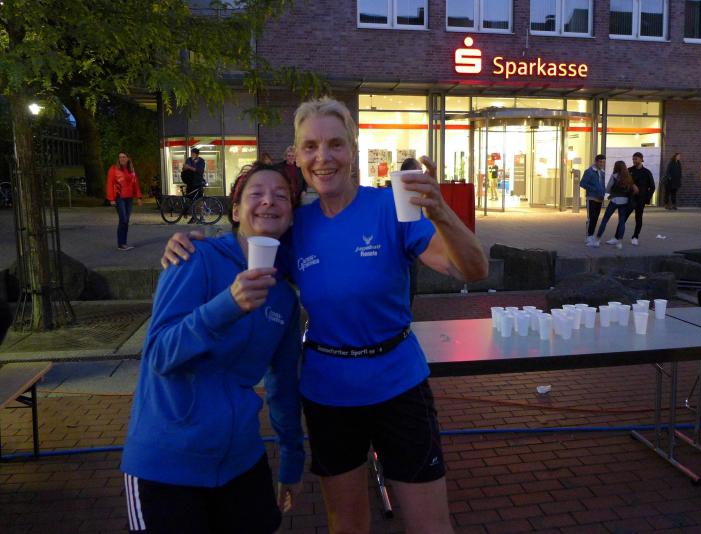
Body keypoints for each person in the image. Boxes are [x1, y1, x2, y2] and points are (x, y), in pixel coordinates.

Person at [162, 97, 489, 534]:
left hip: (399, 384)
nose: (323, 157)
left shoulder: (391, 207)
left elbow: (472, 269)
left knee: (429, 525)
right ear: (297, 157)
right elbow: (243, 247)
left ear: (353, 150)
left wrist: (442, 212)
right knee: (348, 524)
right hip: (329, 393)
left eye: (335, 144)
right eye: (310, 147)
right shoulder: (296, 225)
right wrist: (191, 242)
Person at [121, 162, 304, 534]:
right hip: (168, 463)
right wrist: (227, 305)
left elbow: (283, 386)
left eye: (281, 196)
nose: (268, 201)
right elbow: (159, 355)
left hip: (241, 461)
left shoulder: (284, 298)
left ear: (290, 217)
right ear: (235, 211)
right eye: (256, 193)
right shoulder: (193, 256)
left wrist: (292, 460)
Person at [595, 161, 638, 250]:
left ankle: (597, 240)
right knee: (622, 222)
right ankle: (619, 243)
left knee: (605, 220)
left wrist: (611, 193)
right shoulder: (629, 177)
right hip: (624, 202)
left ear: (616, 167)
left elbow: (608, 188)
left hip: (614, 200)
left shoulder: (615, 176)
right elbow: (633, 190)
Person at [105, 152, 142, 251]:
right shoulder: (113, 169)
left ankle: (123, 243)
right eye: (120, 157)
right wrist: (111, 199)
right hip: (119, 197)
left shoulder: (131, 169)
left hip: (129, 198)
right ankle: (121, 244)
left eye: (124, 157)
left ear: (128, 158)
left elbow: (135, 183)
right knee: (123, 220)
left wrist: (139, 197)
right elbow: (110, 184)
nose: (121, 159)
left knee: (126, 221)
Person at [625, 152, 655, 246]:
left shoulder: (647, 172)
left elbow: (652, 187)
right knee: (623, 217)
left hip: (641, 199)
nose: (634, 161)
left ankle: (635, 237)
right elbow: (624, 182)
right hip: (630, 198)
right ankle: (617, 236)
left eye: (636, 159)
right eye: (633, 159)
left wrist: (647, 198)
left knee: (638, 218)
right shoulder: (629, 170)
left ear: (641, 159)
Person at [579, 154, 606, 247]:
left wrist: (603, 192)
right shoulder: (589, 171)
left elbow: (603, 185)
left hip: (599, 198)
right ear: (596, 161)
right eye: (600, 162)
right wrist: (594, 189)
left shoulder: (603, 172)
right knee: (591, 217)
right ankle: (588, 236)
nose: (602, 164)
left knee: (596, 218)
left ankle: (591, 234)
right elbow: (582, 183)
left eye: (603, 162)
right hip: (591, 197)